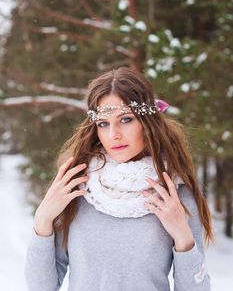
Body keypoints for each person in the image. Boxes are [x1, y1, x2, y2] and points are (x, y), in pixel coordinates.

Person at [25, 67, 213, 291]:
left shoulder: (174, 192)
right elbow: (41, 287)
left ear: (146, 122)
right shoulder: (77, 188)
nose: (113, 134)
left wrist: (183, 238)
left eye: (125, 119)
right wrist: (43, 220)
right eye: (103, 123)